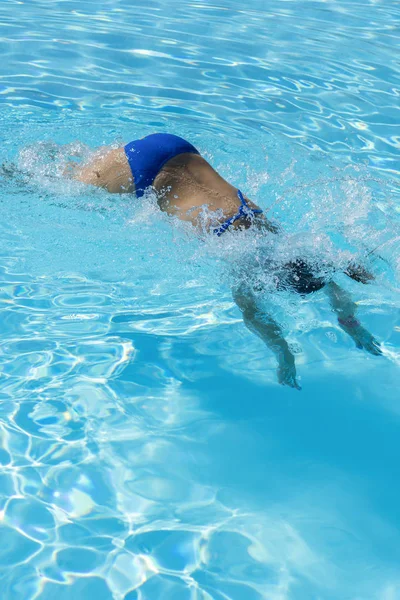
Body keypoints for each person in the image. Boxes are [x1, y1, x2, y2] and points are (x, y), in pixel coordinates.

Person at [70, 132, 382, 389]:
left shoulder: (278, 237)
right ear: (278, 282)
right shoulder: (244, 263)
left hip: (179, 149)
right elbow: (254, 317)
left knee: (78, 165)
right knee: (55, 185)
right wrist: (284, 354)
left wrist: (352, 321)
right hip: (148, 174)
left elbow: (332, 274)